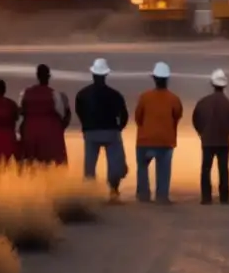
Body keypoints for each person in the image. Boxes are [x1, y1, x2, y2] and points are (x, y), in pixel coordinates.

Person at [75, 58, 129, 200]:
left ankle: (89, 194)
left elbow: (79, 111)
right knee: (115, 164)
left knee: (90, 166)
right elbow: (124, 115)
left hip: (91, 132)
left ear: (93, 75)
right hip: (111, 132)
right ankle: (113, 190)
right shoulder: (115, 95)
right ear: (105, 75)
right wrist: (119, 128)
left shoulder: (82, 94)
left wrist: (86, 126)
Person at [134, 62, 183, 203]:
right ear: (167, 80)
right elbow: (177, 116)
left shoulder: (144, 97)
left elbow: (138, 117)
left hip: (145, 140)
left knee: (142, 168)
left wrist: (145, 128)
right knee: (164, 170)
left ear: (154, 79)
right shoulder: (174, 99)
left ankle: (143, 195)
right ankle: (162, 196)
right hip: (166, 140)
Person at [192, 68, 229, 205]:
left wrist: (203, 133)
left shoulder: (203, 103)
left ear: (212, 84)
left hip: (207, 141)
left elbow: (196, 120)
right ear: (224, 85)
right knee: (223, 169)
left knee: (206, 168)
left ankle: (206, 197)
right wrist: (227, 133)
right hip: (224, 141)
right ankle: (224, 197)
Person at [18, 64, 70, 166]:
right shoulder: (55, 94)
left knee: (30, 165)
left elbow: (20, 112)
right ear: (48, 77)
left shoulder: (25, 93)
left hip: (30, 132)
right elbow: (63, 115)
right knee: (51, 165)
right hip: (51, 133)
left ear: (37, 76)